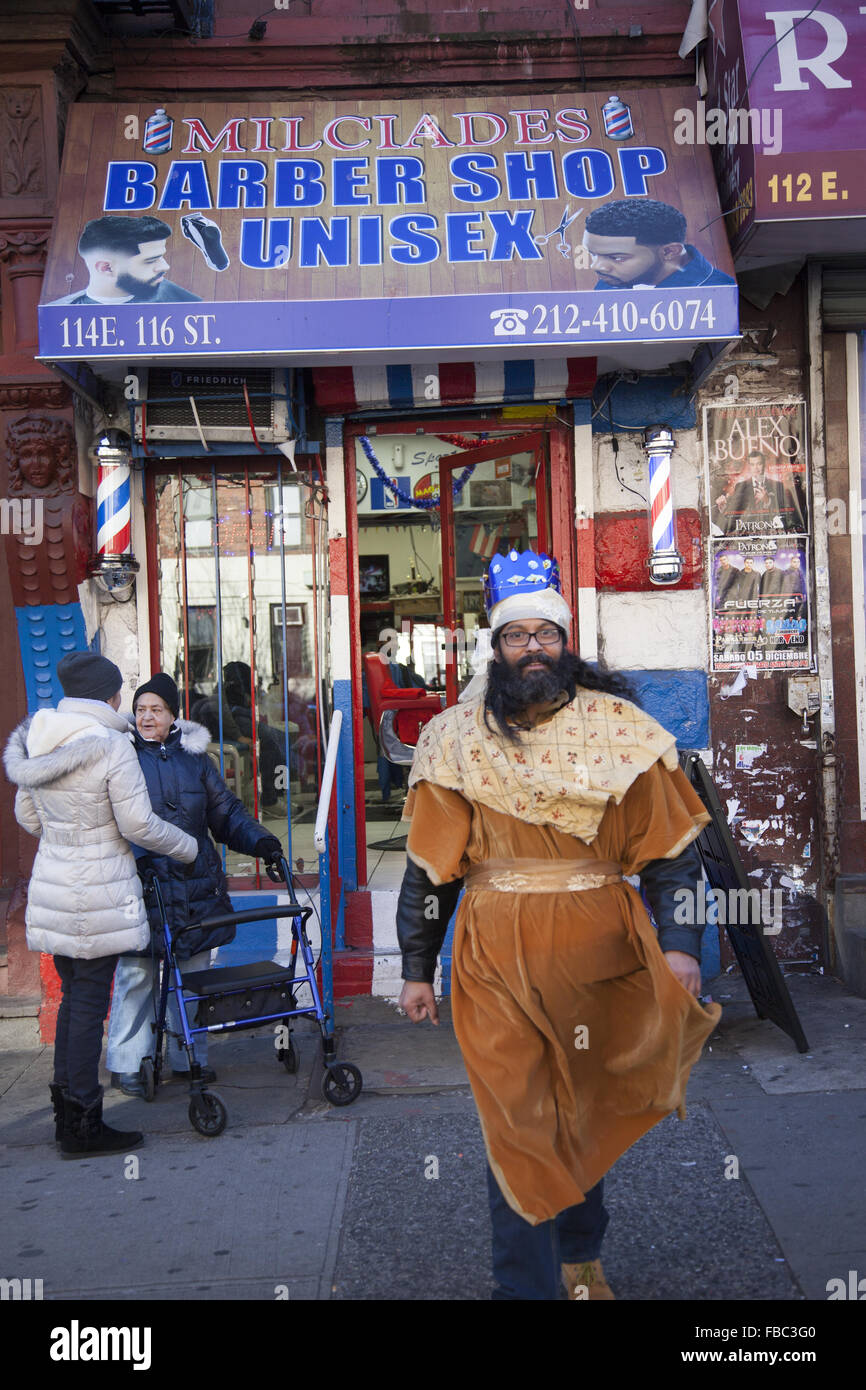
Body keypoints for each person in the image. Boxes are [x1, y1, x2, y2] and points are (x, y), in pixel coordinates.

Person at [395, 549, 721, 1300]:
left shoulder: (621, 731)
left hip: (599, 956)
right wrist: (416, 966)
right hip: (493, 961)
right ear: (496, 646)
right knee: (518, 1120)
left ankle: (579, 1258)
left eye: (546, 634)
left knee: (579, 1110)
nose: (533, 648)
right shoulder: (453, 739)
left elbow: (673, 856)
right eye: (518, 636)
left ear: (565, 643)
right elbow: (428, 868)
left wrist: (680, 947)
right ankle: (526, 1288)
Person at [2, 652, 198, 1158]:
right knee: (90, 1003)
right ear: (109, 696)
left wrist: (69, 837)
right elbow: (136, 825)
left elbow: (28, 815)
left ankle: (68, 1116)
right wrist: (187, 845)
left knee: (74, 999)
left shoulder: (38, 738)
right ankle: (85, 1123)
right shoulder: (111, 745)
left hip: (54, 886)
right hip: (99, 892)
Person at [105, 674, 286, 1094]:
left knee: (193, 975)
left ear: (173, 716)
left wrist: (265, 844)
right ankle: (130, 1060)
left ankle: (190, 1056)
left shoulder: (197, 760)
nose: (147, 716)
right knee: (138, 973)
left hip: (194, 882)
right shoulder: (120, 756)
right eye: (141, 709)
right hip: (142, 880)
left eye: (157, 710)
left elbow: (226, 815)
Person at [47, 215, 201, 306]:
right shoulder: (60, 316)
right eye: (150, 261)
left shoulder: (182, 301)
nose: (165, 266)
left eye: (161, 257)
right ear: (106, 268)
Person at [582, 198, 736, 289]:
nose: (596, 266)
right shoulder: (612, 281)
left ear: (669, 252)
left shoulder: (717, 291)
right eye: (593, 254)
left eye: (616, 257)